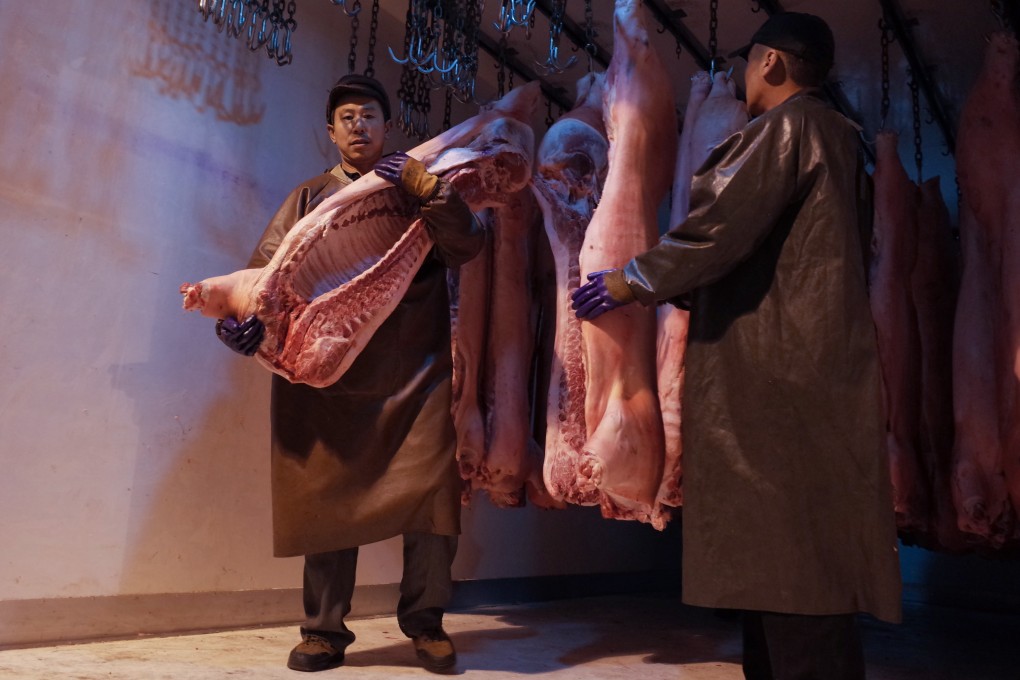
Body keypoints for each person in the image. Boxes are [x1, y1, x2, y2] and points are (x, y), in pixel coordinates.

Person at [571, 12, 902, 680]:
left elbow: (717, 231)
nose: (741, 77)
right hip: (809, 370)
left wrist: (631, 278)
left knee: (793, 568)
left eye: (748, 63)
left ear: (773, 64)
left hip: (778, 378)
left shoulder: (787, 130)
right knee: (789, 567)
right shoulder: (838, 140)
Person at [216, 74, 483, 674]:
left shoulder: (418, 193)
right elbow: (261, 276)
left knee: (433, 502)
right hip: (327, 377)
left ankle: (426, 624)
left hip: (413, 372)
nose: (358, 125)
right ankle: (323, 632)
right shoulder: (308, 198)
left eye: (369, 115)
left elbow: (468, 245)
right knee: (326, 499)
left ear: (387, 127)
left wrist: (429, 189)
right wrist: (239, 322)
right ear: (331, 131)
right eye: (346, 117)